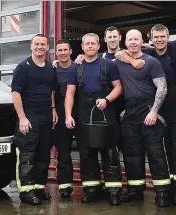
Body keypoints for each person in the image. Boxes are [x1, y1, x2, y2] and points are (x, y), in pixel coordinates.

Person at [114, 24, 176, 204]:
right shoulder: (119, 61)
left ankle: (163, 192)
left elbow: (162, 88)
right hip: (130, 112)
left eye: (136, 39)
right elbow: (108, 59)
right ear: (125, 43)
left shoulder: (151, 61)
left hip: (149, 110)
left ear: (142, 42)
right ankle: (135, 190)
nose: (133, 42)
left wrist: (154, 111)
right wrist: (78, 57)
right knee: (132, 154)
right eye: (130, 39)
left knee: (156, 153)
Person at [65, 33, 124, 205]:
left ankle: (113, 191)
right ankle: (91, 190)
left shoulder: (109, 65)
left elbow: (118, 88)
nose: (90, 46)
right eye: (87, 44)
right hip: (84, 116)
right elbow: (70, 93)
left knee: (110, 154)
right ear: (82, 47)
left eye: (93, 43)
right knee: (87, 154)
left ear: (99, 46)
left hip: (107, 115)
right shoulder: (75, 68)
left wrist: (107, 100)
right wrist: (68, 115)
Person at [11, 34, 58, 205]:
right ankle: (26, 191)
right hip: (29, 118)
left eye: (43, 44)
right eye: (36, 44)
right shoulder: (23, 67)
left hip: (46, 118)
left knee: (43, 155)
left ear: (47, 48)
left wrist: (53, 109)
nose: (39, 47)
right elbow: (15, 93)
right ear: (31, 46)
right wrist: (22, 118)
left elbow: (51, 91)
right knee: (27, 155)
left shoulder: (49, 69)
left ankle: (39, 187)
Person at [52, 39, 76, 198]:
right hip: (60, 109)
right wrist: (53, 109)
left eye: (65, 50)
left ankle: (92, 186)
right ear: (56, 53)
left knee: (87, 149)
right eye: (59, 50)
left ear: (71, 51)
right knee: (63, 150)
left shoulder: (78, 65)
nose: (62, 53)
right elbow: (50, 91)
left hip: (80, 108)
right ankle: (65, 186)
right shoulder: (52, 70)